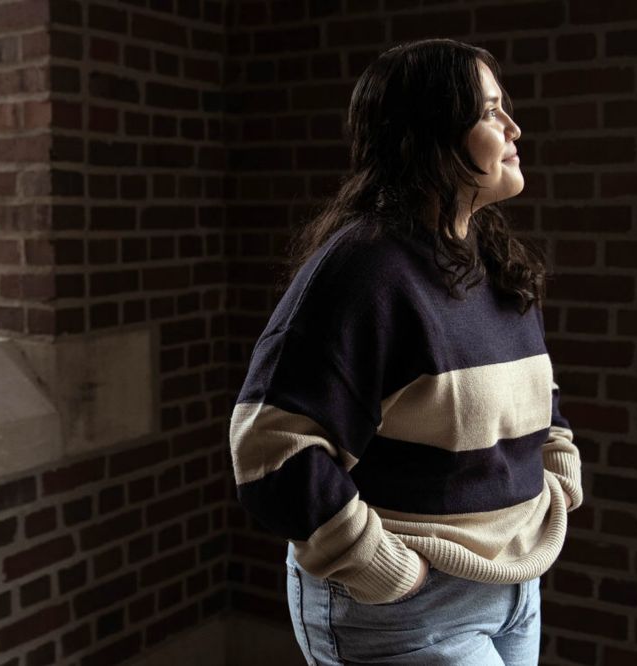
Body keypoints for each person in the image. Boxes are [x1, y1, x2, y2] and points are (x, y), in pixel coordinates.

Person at [229, 38, 583, 666]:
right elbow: (270, 447)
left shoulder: (492, 263)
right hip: (405, 610)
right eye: (489, 112)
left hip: (515, 586)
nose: (513, 127)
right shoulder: (364, 272)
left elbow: (533, 394)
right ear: (431, 137)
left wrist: (555, 467)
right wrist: (375, 565)